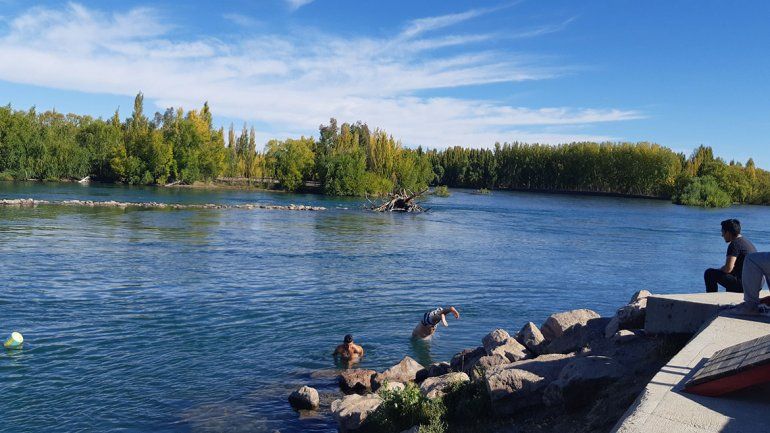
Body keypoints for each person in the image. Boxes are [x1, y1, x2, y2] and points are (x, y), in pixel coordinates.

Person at [704, 219, 756, 293]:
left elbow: (728, 268)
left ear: (728, 233)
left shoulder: (734, 244)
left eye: (723, 232)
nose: (722, 235)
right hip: (755, 284)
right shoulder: (746, 242)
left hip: (744, 285)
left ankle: (710, 297)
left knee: (709, 273)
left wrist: (721, 269)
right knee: (731, 274)